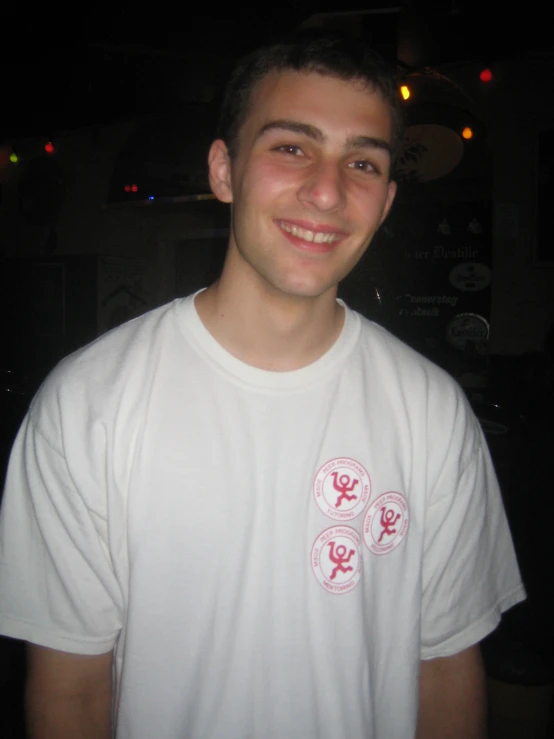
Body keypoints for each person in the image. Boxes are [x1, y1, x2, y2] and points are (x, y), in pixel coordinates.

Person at [0, 30, 525, 739]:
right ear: (223, 170)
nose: (328, 190)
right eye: (291, 147)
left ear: (388, 199)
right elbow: (72, 692)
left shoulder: (432, 412)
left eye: (362, 162)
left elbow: (445, 665)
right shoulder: (88, 403)